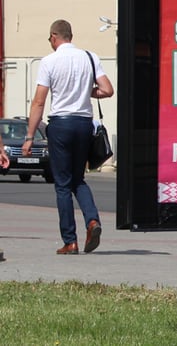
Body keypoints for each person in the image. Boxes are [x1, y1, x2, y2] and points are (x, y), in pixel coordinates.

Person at [24, 20, 115, 255]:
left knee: (63, 185)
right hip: (84, 124)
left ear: (54, 36)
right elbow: (107, 89)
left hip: (61, 125)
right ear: (70, 36)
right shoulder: (89, 56)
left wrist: (30, 135)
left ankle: (70, 241)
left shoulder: (49, 61)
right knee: (78, 180)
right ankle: (92, 221)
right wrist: (86, 91)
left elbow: (39, 101)